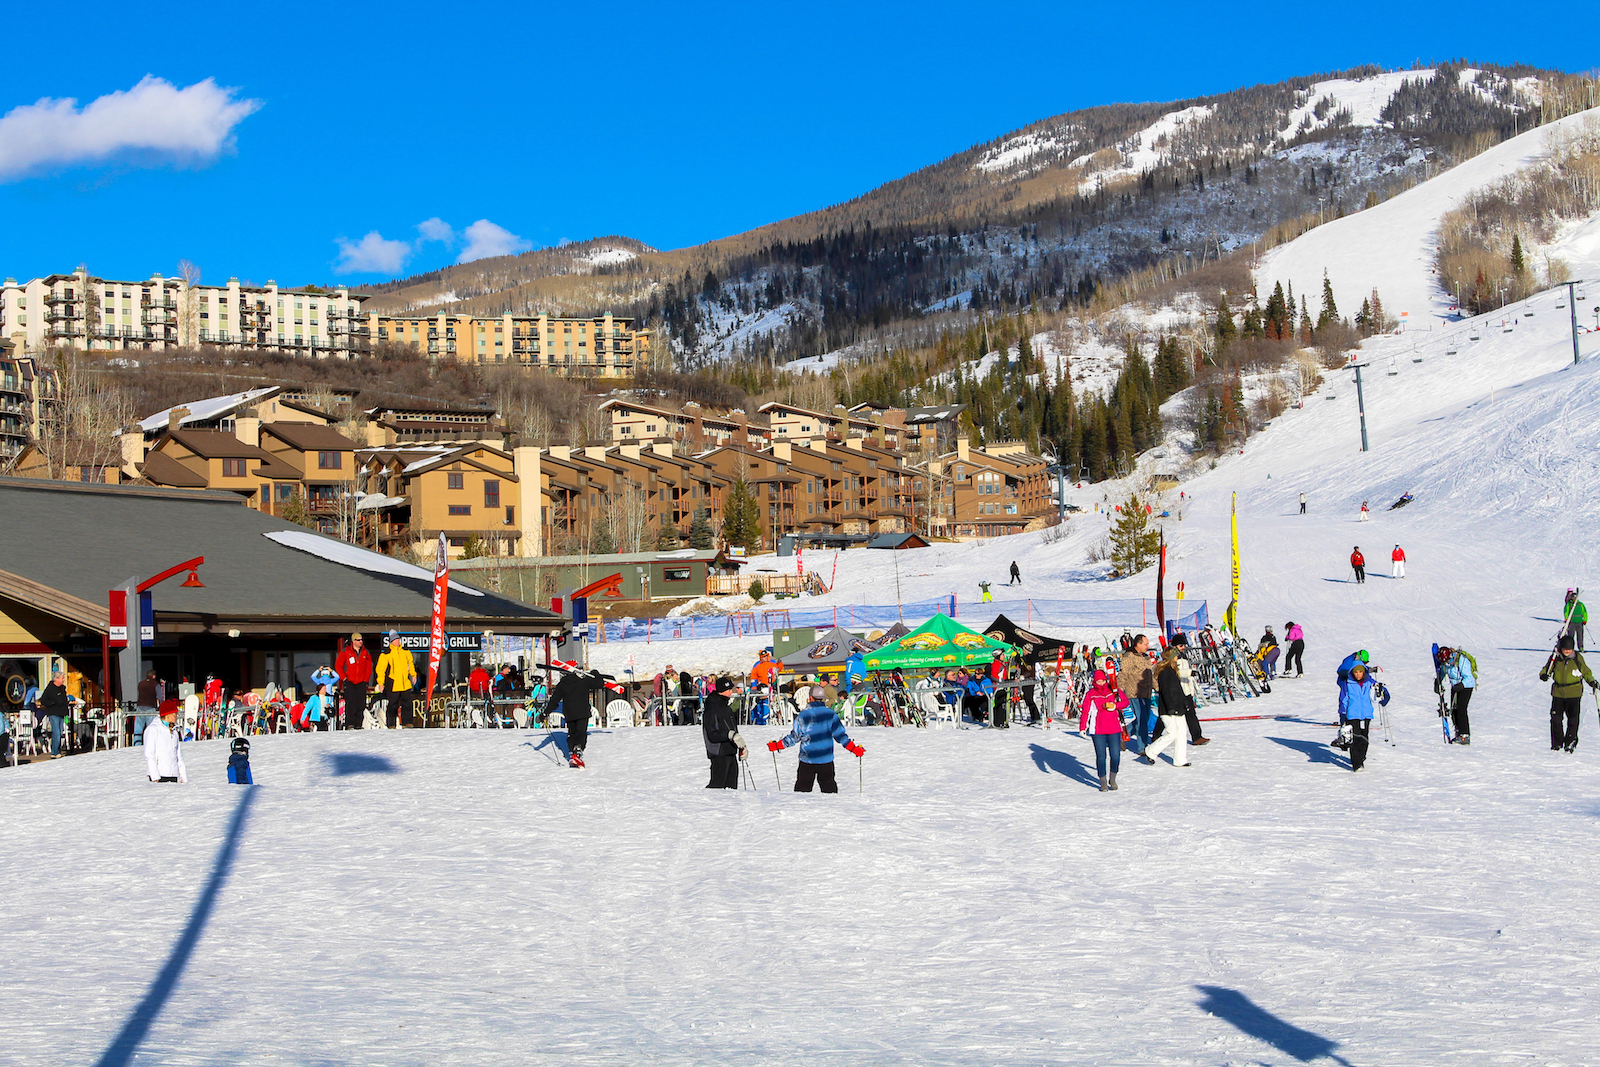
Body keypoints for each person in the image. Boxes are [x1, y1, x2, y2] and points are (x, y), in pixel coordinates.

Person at [767, 685, 862, 792]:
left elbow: (795, 737)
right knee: (830, 793)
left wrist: (777, 745)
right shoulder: (830, 714)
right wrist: (853, 749)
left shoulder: (803, 715)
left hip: (807, 760)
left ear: (810, 698)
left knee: (802, 793)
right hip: (826, 759)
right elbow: (840, 736)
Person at [1542, 635, 1597, 752]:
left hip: (1574, 693)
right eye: (1565, 649)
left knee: (1573, 719)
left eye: (1570, 649)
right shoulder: (1556, 658)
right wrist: (1544, 674)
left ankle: (1570, 741)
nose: (1567, 651)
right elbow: (1547, 668)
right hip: (1558, 693)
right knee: (1556, 719)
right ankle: (1557, 743)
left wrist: (1591, 681)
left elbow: (1586, 672)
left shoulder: (1577, 658)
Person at [1140, 647, 1194, 767]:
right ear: (1170, 657)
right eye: (1175, 655)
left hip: (1178, 707)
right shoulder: (1165, 672)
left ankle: (1180, 760)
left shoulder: (1173, 670)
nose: (1177, 657)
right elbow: (1166, 692)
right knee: (1172, 733)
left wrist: (1185, 703)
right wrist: (1171, 708)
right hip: (1168, 709)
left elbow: (1178, 690)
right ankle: (1150, 751)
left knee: (1181, 733)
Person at [1079, 669, 1131, 791]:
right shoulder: (1091, 694)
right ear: (1094, 681)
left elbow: (1125, 702)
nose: (1101, 683)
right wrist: (1082, 727)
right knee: (1101, 756)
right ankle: (1102, 781)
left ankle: (1112, 778)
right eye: (1098, 681)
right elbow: (1086, 711)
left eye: (1102, 680)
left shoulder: (1114, 691)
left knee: (1116, 756)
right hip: (1098, 731)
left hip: (1114, 728)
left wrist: (1115, 706)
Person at [701, 675, 745, 789]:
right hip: (719, 752)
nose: (731, 692)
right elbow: (712, 734)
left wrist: (741, 746)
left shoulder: (727, 708)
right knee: (717, 787)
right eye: (729, 690)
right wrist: (729, 735)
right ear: (721, 691)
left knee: (732, 788)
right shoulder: (712, 707)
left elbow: (733, 730)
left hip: (730, 751)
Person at [548, 669, 597, 767]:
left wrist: (545, 713)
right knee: (581, 732)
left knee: (572, 733)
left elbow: (554, 699)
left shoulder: (563, 683)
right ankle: (577, 751)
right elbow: (598, 684)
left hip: (569, 713)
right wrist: (595, 673)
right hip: (582, 712)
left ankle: (572, 752)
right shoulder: (584, 681)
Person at [1118, 634, 1156, 751]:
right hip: (1135, 692)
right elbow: (1123, 674)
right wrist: (1119, 691)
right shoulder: (1129, 656)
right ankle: (1142, 747)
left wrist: (1158, 687)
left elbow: (1151, 676)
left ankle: (1121, 736)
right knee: (1141, 719)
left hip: (1147, 692)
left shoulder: (1145, 657)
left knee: (1144, 718)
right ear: (1138, 644)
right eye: (1145, 644)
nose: (1147, 646)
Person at [1339, 662, 1378, 771]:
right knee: (1355, 739)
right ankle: (1357, 764)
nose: (1358, 674)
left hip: (1366, 714)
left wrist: (1383, 693)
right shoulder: (1347, 683)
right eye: (1356, 672)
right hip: (1352, 715)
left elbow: (1378, 690)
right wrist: (1342, 715)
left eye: (1360, 672)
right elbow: (1343, 700)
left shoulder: (1369, 682)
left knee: (1364, 738)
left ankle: (1361, 757)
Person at [375, 633, 419, 729]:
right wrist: (381, 683)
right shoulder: (386, 654)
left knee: (407, 703)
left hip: (405, 682)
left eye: (398, 639)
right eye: (395, 640)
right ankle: (391, 724)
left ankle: (407, 722)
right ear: (391, 641)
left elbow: (410, 664)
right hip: (393, 683)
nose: (397, 641)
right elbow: (380, 669)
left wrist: (413, 675)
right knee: (393, 705)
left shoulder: (405, 651)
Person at [1437, 646, 1477, 745]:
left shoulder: (1461, 660)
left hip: (1466, 686)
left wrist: (1461, 685)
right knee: (1453, 710)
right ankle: (1458, 731)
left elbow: (1469, 678)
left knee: (1461, 709)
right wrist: (1437, 682)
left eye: (1449, 660)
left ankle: (1465, 735)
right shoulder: (1446, 663)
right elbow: (1443, 672)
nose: (1448, 663)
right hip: (1456, 686)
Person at [1332, 650, 1370, 749]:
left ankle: (1347, 737)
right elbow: (1341, 670)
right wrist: (1351, 676)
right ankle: (1343, 737)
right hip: (1347, 685)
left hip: (1354, 685)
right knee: (1344, 707)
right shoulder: (1349, 660)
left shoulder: (1356, 661)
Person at [337, 632, 373, 730]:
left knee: (361, 704)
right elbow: (338, 666)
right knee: (351, 703)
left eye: (361, 639)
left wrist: (366, 679)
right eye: (358, 640)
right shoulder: (345, 651)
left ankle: (358, 724)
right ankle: (350, 724)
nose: (360, 641)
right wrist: (344, 678)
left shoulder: (366, 652)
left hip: (361, 682)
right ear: (353, 641)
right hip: (350, 681)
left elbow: (369, 667)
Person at [143, 702, 187, 783]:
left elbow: (178, 756)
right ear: (168, 714)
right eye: (174, 714)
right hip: (159, 776)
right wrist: (155, 776)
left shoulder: (174, 732)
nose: (176, 716)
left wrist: (183, 776)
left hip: (173, 775)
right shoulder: (153, 729)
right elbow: (149, 754)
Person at [40, 669, 70, 757]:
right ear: (56, 679)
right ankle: (54, 752)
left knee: (60, 733)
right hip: (53, 713)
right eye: (62, 678)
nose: (64, 679)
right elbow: (43, 700)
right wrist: (53, 702)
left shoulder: (62, 688)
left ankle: (57, 750)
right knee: (56, 732)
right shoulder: (50, 689)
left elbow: (63, 700)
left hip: (62, 713)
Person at [134, 670, 159, 744]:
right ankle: (149, 744)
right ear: (154, 676)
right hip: (150, 707)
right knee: (150, 729)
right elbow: (160, 697)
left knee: (138, 729)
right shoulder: (155, 684)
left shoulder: (140, 684)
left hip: (140, 707)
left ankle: (137, 744)